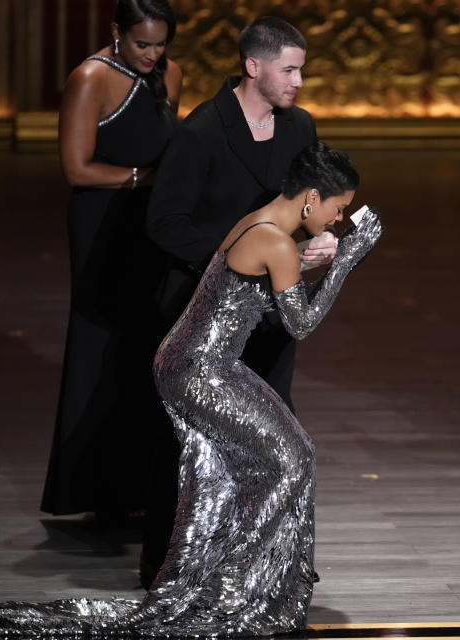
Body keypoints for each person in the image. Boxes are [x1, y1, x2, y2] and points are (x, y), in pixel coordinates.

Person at [0, 142, 382, 637]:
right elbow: (300, 323)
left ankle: (242, 581)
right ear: (311, 198)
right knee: (291, 459)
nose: (340, 219)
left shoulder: (263, 225)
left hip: (197, 362)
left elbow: (261, 283)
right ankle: (238, 586)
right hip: (197, 369)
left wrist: (307, 259)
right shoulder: (276, 242)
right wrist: (346, 261)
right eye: (339, 209)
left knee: (275, 459)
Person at [141, 16, 334, 585]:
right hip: (206, 312)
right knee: (191, 443)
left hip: (269, 311)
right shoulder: (202, 130)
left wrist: (318, 240)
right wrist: (239, 258)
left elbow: (308, 203)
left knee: (278, 433)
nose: (298, 81)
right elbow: (164, 222)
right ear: (255, 67)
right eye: (290, 69)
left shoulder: (299, 128)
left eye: (301, 69)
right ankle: (169, 563)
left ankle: (271, 564)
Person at [40, 0, 182, 519]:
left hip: (152, 226)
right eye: (142, 43)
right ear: (116, 32)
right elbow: (77, 170)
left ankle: (141, 484)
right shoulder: (89, 78)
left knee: (150, 343)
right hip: (103, 225)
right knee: (102, 341)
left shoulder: (171, 73)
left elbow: (172, 150)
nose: (152, 54)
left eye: (161, 43)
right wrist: (144, 178)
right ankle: (90, 488)